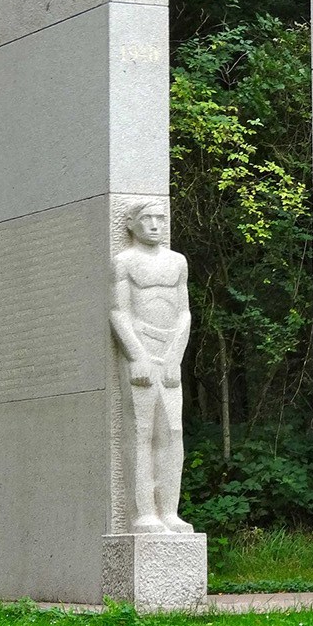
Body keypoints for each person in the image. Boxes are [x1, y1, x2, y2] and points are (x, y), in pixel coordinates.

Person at [110, 199, 194, 534]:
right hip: (141, 349)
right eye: (147, 219)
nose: (156, 225)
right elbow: (119, 311)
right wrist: (136, 355)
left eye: (161, 218)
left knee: (172, 432)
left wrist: (175, 355)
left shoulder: (177, 262)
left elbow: (184, 311)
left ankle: (169, 511)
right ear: (131, 223)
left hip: (169, 350)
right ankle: (144, 512)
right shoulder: (124, 262)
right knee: (142, 431)